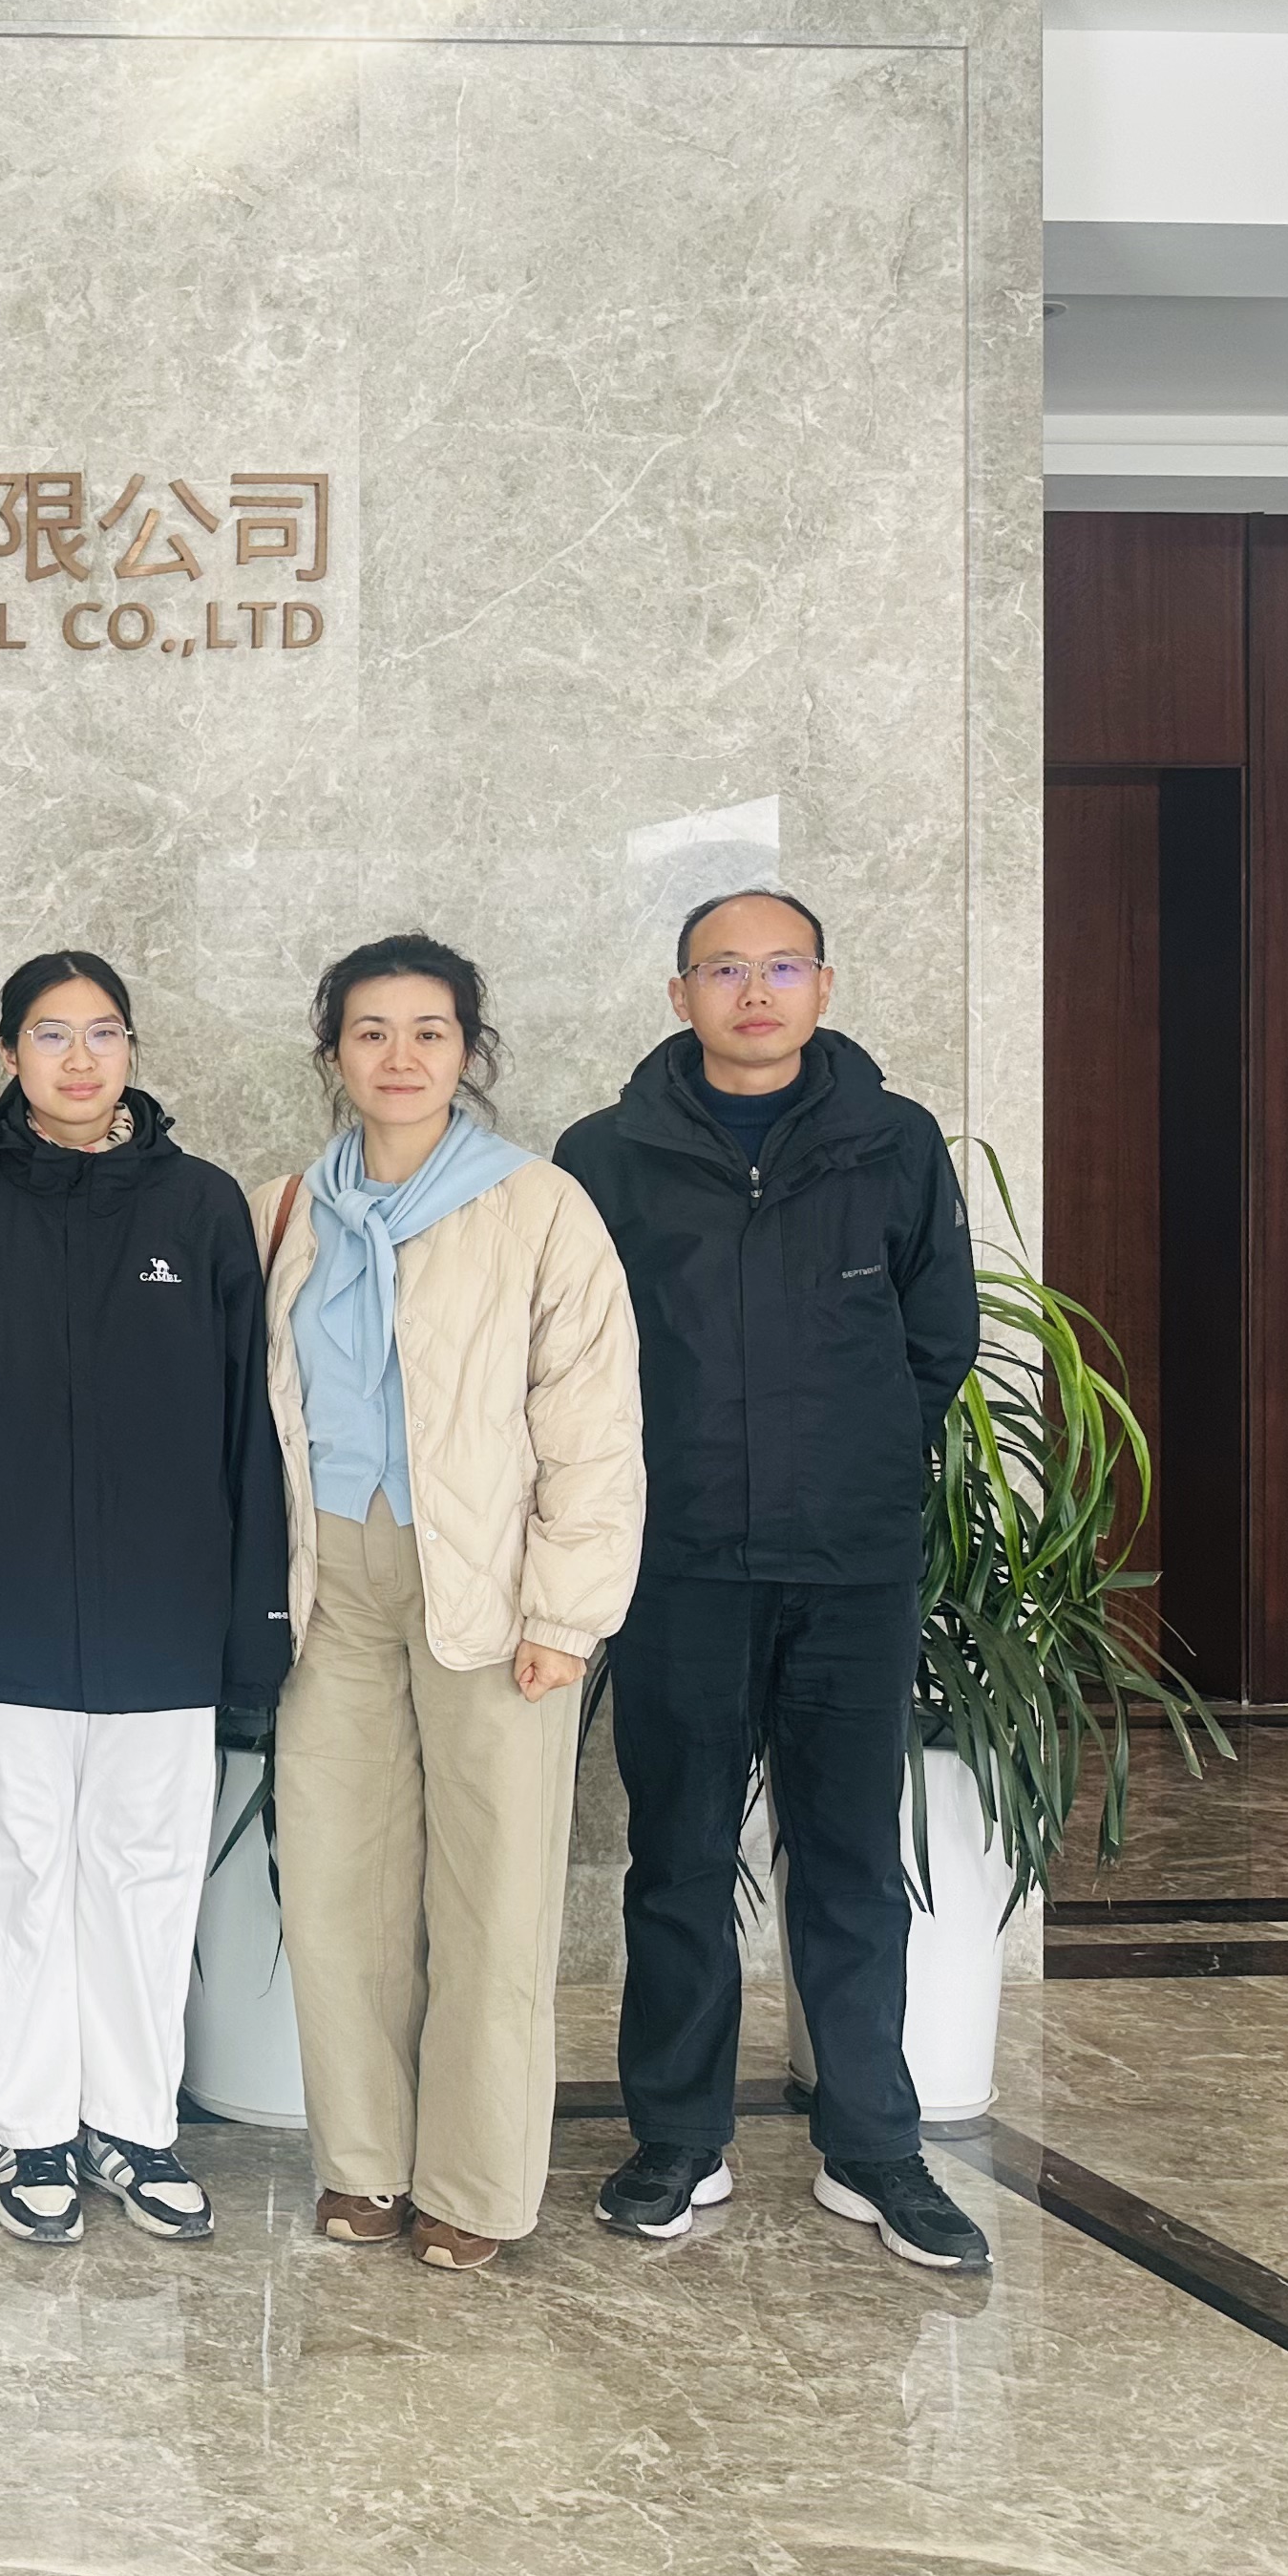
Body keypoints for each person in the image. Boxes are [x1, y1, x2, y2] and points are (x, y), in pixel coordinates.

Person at [558, 890, 989, 2274]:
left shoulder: (896, 1141)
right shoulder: (605, 1155)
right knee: (679, 1858)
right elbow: (575, 1359)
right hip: (678, 1564)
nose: (756, 992)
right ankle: (678, 2140)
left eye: (782, 966)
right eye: (726, 969)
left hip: (851, 1566)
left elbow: (938, 1340)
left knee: (851, 1860)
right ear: (679, 992)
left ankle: (873, 2148)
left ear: (823, 985)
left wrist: (854, 1461)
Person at [0, 953, 288, 2253]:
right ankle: (32, 2128)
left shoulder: (200, 1205)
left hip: (166, 1619)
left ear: (131, 1051)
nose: (79, 1058)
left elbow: (251, 1428)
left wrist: (253, 1621)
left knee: (149, 1880)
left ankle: (133, 2124)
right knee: (15, 1879)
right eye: (51, 1035)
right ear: (10, 1054)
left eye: (102, 1033)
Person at [252, 933, 644, 2273]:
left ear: (471, 1051)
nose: (401, 1057)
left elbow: (592, 1423)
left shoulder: (539, 1207)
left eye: (430, 1031)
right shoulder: (287, 1210)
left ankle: (474, 2184)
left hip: (489, 1581)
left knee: (494, 1892)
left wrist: (566, 1613)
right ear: (334, 1054)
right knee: (338, 1888)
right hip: (332, 1581)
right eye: (371, 1032)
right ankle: (363, 2165)